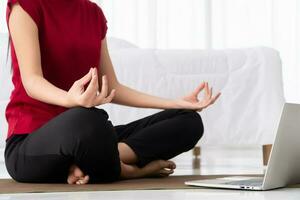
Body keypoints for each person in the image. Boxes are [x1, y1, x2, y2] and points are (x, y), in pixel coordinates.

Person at [4, 0, 221, 185]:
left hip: (89, 139)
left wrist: (176, 103)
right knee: (89, 119)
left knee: (189, 122)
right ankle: (128, 170)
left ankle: (97, 160)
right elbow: (32, 81)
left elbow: (112, 87)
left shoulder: (93, 14)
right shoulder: (25, 6)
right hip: (31, 143)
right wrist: (69, 99)